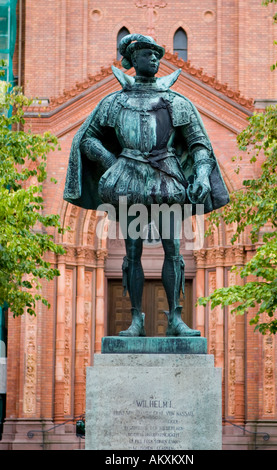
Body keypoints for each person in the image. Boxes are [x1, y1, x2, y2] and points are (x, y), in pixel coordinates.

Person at [64, 34, 229, 337]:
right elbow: (87, 138)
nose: (154, 59)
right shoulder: (115, 102)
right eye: (147, 54)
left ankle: (176, 319)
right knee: (132, 252)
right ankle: (136, 319)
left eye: (156, 55)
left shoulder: (176, 102)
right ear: (133, 59)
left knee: (174, 250)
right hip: (127, 181)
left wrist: (203, 175)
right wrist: (111, 163)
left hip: (167, 179)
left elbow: (199, 145)